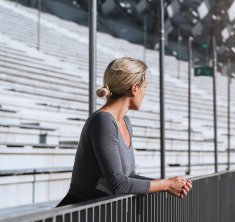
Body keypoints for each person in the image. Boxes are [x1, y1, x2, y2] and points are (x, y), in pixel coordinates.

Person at [57, 57, 192, 207]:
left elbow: (129, 176)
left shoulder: (125, 122)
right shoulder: (103, 121)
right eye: (145, 87)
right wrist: (166, 184)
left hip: (97, 217)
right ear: (134, 88)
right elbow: (118, 183)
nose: (145, 93)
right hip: (78, 217)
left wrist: (170, 185)